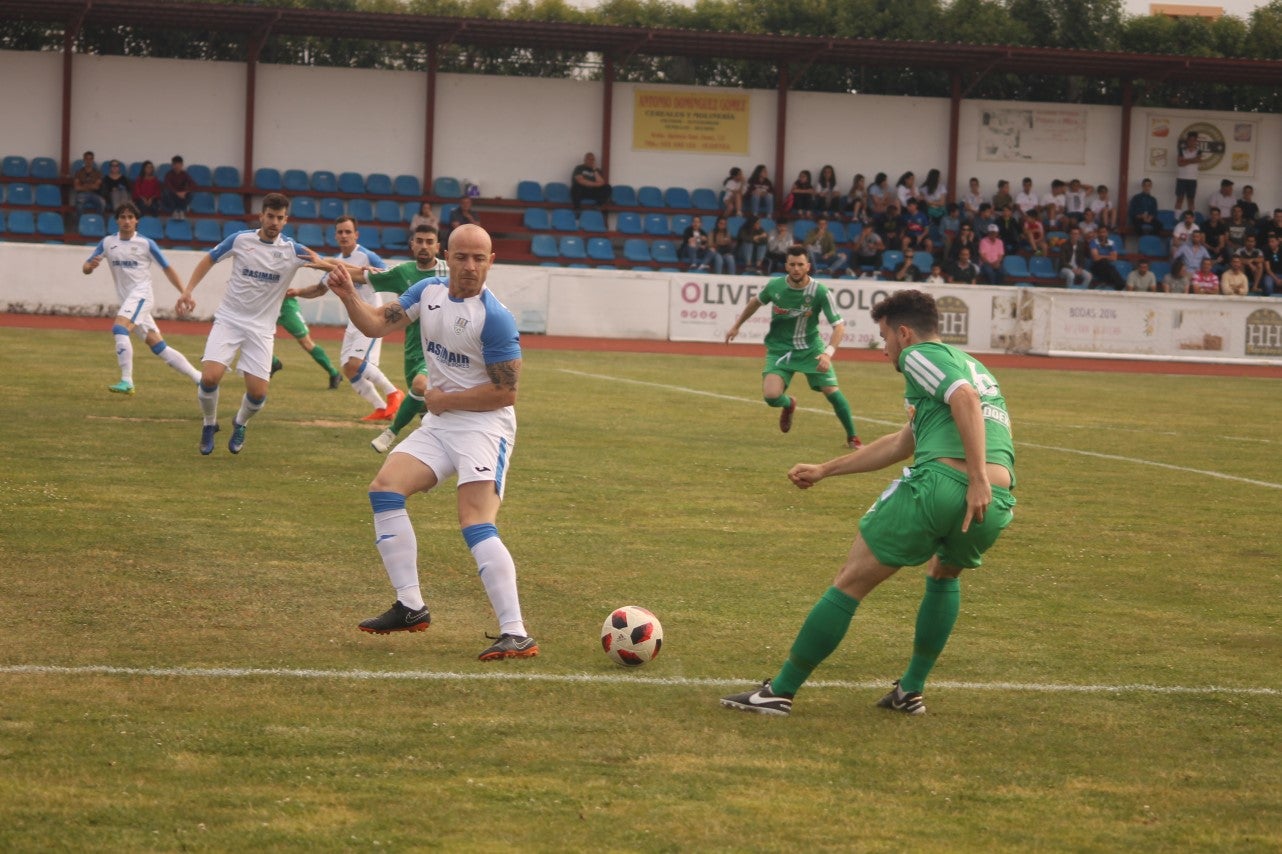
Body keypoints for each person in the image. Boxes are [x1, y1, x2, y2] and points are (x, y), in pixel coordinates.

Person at [720, 288, 1015, 717]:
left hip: (947, 486)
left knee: (850, 580)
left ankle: (778, 692)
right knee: (944, 574)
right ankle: (909, 690)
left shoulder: (919, 356)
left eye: (884, 337)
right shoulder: (972, 365)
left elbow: (964, 401)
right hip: (996, 498)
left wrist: (972, 480)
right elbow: (903, 442)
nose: (884, 349)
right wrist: (826, 468)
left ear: (905, 333)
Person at [325, 224, 538, 661]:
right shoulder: (427, 292)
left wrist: (444, 398)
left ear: (491, 261)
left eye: (480, 258)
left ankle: (516, 632)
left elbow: (506, 393)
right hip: (442, 423)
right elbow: (376, 325)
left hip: (485, 427)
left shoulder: (495, 318)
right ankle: (410, 606)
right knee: (385, 490)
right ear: (447, 257)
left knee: (475, 521)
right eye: (462, 257)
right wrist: (348, 294)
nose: (471, 267)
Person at [176, 192, 327, 455]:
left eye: (280, 218)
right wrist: (188, 291)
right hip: (229, 320)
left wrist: (365, 274)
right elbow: (209, 259)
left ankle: (240, 422)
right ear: (261, 216)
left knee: (257, 395)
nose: (274, 222)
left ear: (286, 220)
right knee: (210, 378)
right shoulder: (240, 240)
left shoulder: (293, 250)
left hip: (261, 330)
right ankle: (209, 424)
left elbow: (326, 263)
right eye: (270, 216)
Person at [724, 245, 861, 448]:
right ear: (786, 266)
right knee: (771, 397)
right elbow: (755, 302)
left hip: (811, 350)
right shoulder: (775, 286)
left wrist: (827, 353)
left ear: (808, 266)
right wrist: (736, 325)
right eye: (792, 264)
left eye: (800, 264)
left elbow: (839, 326)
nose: (796, 268)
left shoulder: (820, 291)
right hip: (780, 349)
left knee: (832, 391)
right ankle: (789, 404)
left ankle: (853, 437)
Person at [348, 224, 451, 453]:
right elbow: (361, 275)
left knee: (420, 385)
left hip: (440, 349)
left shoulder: (450, 272)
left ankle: (390, 433)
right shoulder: (402, 272)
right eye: (420, 241)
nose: (424, 246)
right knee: (429, 416)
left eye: (429, 241)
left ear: (438, 246)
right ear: (412, 244)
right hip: (414, 350)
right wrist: (323, 265)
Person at [289, 216, 403, 421]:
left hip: (372, 317)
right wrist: (297, 291)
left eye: (348, 232)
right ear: (335, 235)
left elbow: (389, 275)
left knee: (356, 362)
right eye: (340, 232)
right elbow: (319, 289)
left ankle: (394, 393)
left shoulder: (367, 256)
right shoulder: (333, 261)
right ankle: (381, 408)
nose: (344, 235)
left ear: (356, 235)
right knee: (348, 368)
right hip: (354, 319)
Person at [82, 202, 202, 394]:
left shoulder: (146, 244)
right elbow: (86, 268)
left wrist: (184, 292)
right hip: (128, 301)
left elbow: (167, 269)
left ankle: (126, 380)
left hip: (141, 296)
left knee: (119, 328)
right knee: (158, 346)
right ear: (117, 220)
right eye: (123, 217)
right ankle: (200, 378)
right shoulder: (107, 243)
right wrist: (90, 266)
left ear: (136, 221)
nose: (127, 221)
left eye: (131, 217)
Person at [1088, 225, 1126, 290]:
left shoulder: (1111, 243)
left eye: (1104, 232)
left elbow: (1114, 258)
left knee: (1108, 265)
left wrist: (1101, 256)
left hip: (1108, 266)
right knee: (1104, 262)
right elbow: (1095, 258)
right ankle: (1120, 284)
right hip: (1096, 266)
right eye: (1100, 232)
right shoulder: (1093, 242)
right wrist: (1107, 256)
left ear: (1107, 233)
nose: (1102, 234)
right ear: (1098, 233)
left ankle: (1114, 283)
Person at [162, 155, 197, 221]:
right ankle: (175, 211)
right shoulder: (168, 174)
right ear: (172, 165)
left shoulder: (185, 174)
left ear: (182, 165)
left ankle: (181, 211)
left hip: (181, 196)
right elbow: (168, 185)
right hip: (172, 197)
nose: (177, 167)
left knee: (191, 193)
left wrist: (185, 192)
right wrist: (177, 193)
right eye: (175, 165)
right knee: (166, 192)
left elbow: (193, 184)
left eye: (179, 165)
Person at [1175, 131, 1203, 213]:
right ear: (1187, 140)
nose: (1191, 142)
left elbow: (1198, 160)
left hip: (1192, 179)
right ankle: (1176, 219)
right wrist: (1192, 160)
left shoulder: (1199, 151)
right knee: (1179, 199)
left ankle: (1191, 220)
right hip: (1181, 178)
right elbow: (1179, 163)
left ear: (1196, 141)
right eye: (1190, 140)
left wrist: (1185, 160)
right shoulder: (1181, 151)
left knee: (1191, 200)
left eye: (1194, 140)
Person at [73, 151, 105, 215]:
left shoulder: (97, 173)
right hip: (82, 194)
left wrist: (84, 185)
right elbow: (77, 188)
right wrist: (91, 185)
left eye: (90, 159)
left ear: (93, 160)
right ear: (84, 160)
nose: (88, 161)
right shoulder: (78, 172)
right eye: (86, 159)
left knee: (102, 202)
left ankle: (97, 221)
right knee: (79, 203)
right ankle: (80, 223)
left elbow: (96, 187)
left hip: (95, 194)